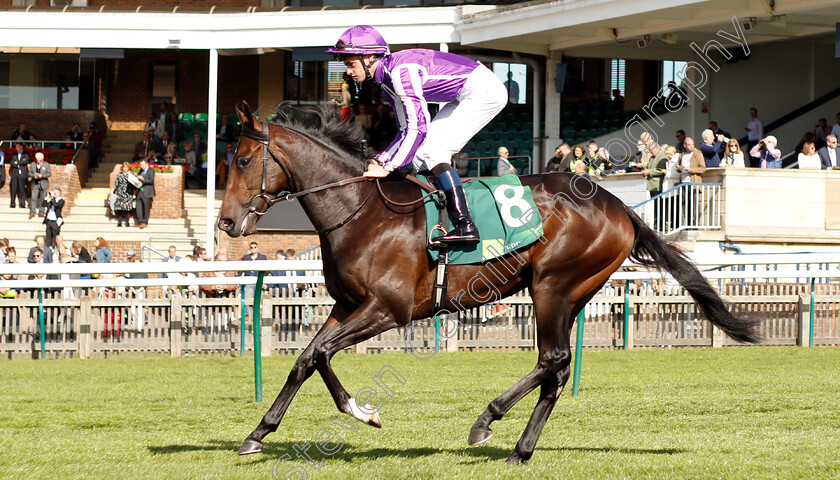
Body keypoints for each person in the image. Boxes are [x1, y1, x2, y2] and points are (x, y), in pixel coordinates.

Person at [328, 25, 507, 245]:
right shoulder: (387, 84)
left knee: (434, 152)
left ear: (370, 56)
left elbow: (418, 127)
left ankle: (465, 224)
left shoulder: (400, 73)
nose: (348, 71)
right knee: (421, 153)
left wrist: (388, 166)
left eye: (350, 64)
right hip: (463, 94)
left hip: (485, 91)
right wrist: (380, 159)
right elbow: (405, 130)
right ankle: (438, 215)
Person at [240, 241, 267, 319]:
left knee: (259, 297)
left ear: (257, 248)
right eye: (251, 247)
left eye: (255, 247)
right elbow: (242, 269)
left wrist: (264, 282)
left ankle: (258, 314)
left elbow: (266, 270)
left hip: (258, 280)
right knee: (247, 297)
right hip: (248, 279)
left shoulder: (262, 257)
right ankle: (248, 314)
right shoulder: (246, 257)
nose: (253, 249)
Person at [123, 250, 148, 332]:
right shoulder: (129, 268)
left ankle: (139, 327)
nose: (128, 260)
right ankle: (134, 325)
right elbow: (127, 279)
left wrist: (140, 289)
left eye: (130, 258)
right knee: (133, 310)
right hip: (133, 290)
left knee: (140, 310)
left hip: (140, 290)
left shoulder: (142, 268)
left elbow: (146, 280)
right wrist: (132, 289)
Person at [113, 161, 137, 227]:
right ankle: (119, 222)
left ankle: (127, 222)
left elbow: (134, 185)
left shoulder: (131, 175)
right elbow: (116, 183)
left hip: (128, 193)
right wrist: (113, 190)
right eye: (124, 167)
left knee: (128, 209)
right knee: (120, 208)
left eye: (126, 167)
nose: (125, 169)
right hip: (121, 193)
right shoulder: (120, 175)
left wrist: (134, 194)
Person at [27, 152, 51, 219]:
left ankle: (41, 212)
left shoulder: (46, 165)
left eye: (40, 160)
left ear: (42, 160)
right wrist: (34, 175)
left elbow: (49, 174)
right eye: (37, 160)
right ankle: (32, 212)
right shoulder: (33, 164)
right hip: (35, 183)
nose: (38, 161)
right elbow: (29, 173)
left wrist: (42, 176)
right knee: (33, 198)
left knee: (43, 198)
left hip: (43, 183)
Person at [135, 158, 155, 228]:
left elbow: (151, 181)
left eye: (143, 165)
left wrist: (143, 179)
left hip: (147, 191)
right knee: (138, 206)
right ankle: (139, 221)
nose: (142, 166)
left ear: (146, 164)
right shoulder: (141, 170)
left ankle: (145, 222)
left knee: (146, 207)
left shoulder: (151, 171)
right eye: (141, 165)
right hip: (140, 191)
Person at [9, 143, 29, 209]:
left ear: (21, 147)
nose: (16, 148)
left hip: (22, 173)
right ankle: (12, 203)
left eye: (17, 146)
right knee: (14, 188)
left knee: (22, 188)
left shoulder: (25, 154)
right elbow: (12, 163)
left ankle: (22, 203)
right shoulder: (14, 154)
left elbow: (25, 161)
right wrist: (19, 163)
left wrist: (17, 162)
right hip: (15, 173)